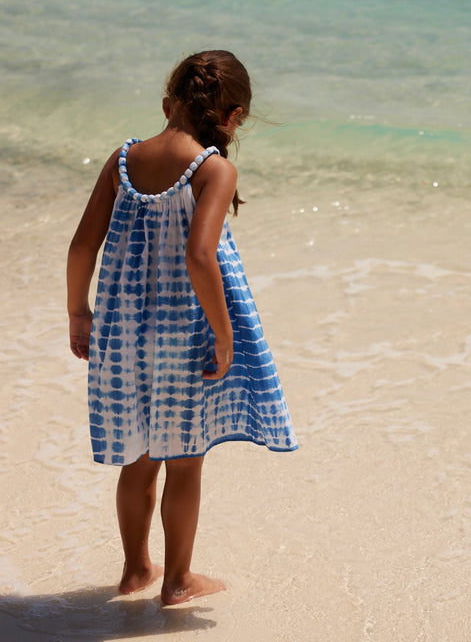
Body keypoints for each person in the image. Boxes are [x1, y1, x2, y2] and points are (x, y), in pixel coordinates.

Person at [66, 50, 298, 605]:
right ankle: (177, 580)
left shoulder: (122, 160)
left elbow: (81, 246)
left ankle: (134, 570)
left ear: (168, 103)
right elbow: (201, 257)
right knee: (185, 463)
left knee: (139, 459)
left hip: (122, 333)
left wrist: (79, 312)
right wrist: (223, 333)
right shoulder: (213, 169)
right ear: (233, 116)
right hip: (183, 335)